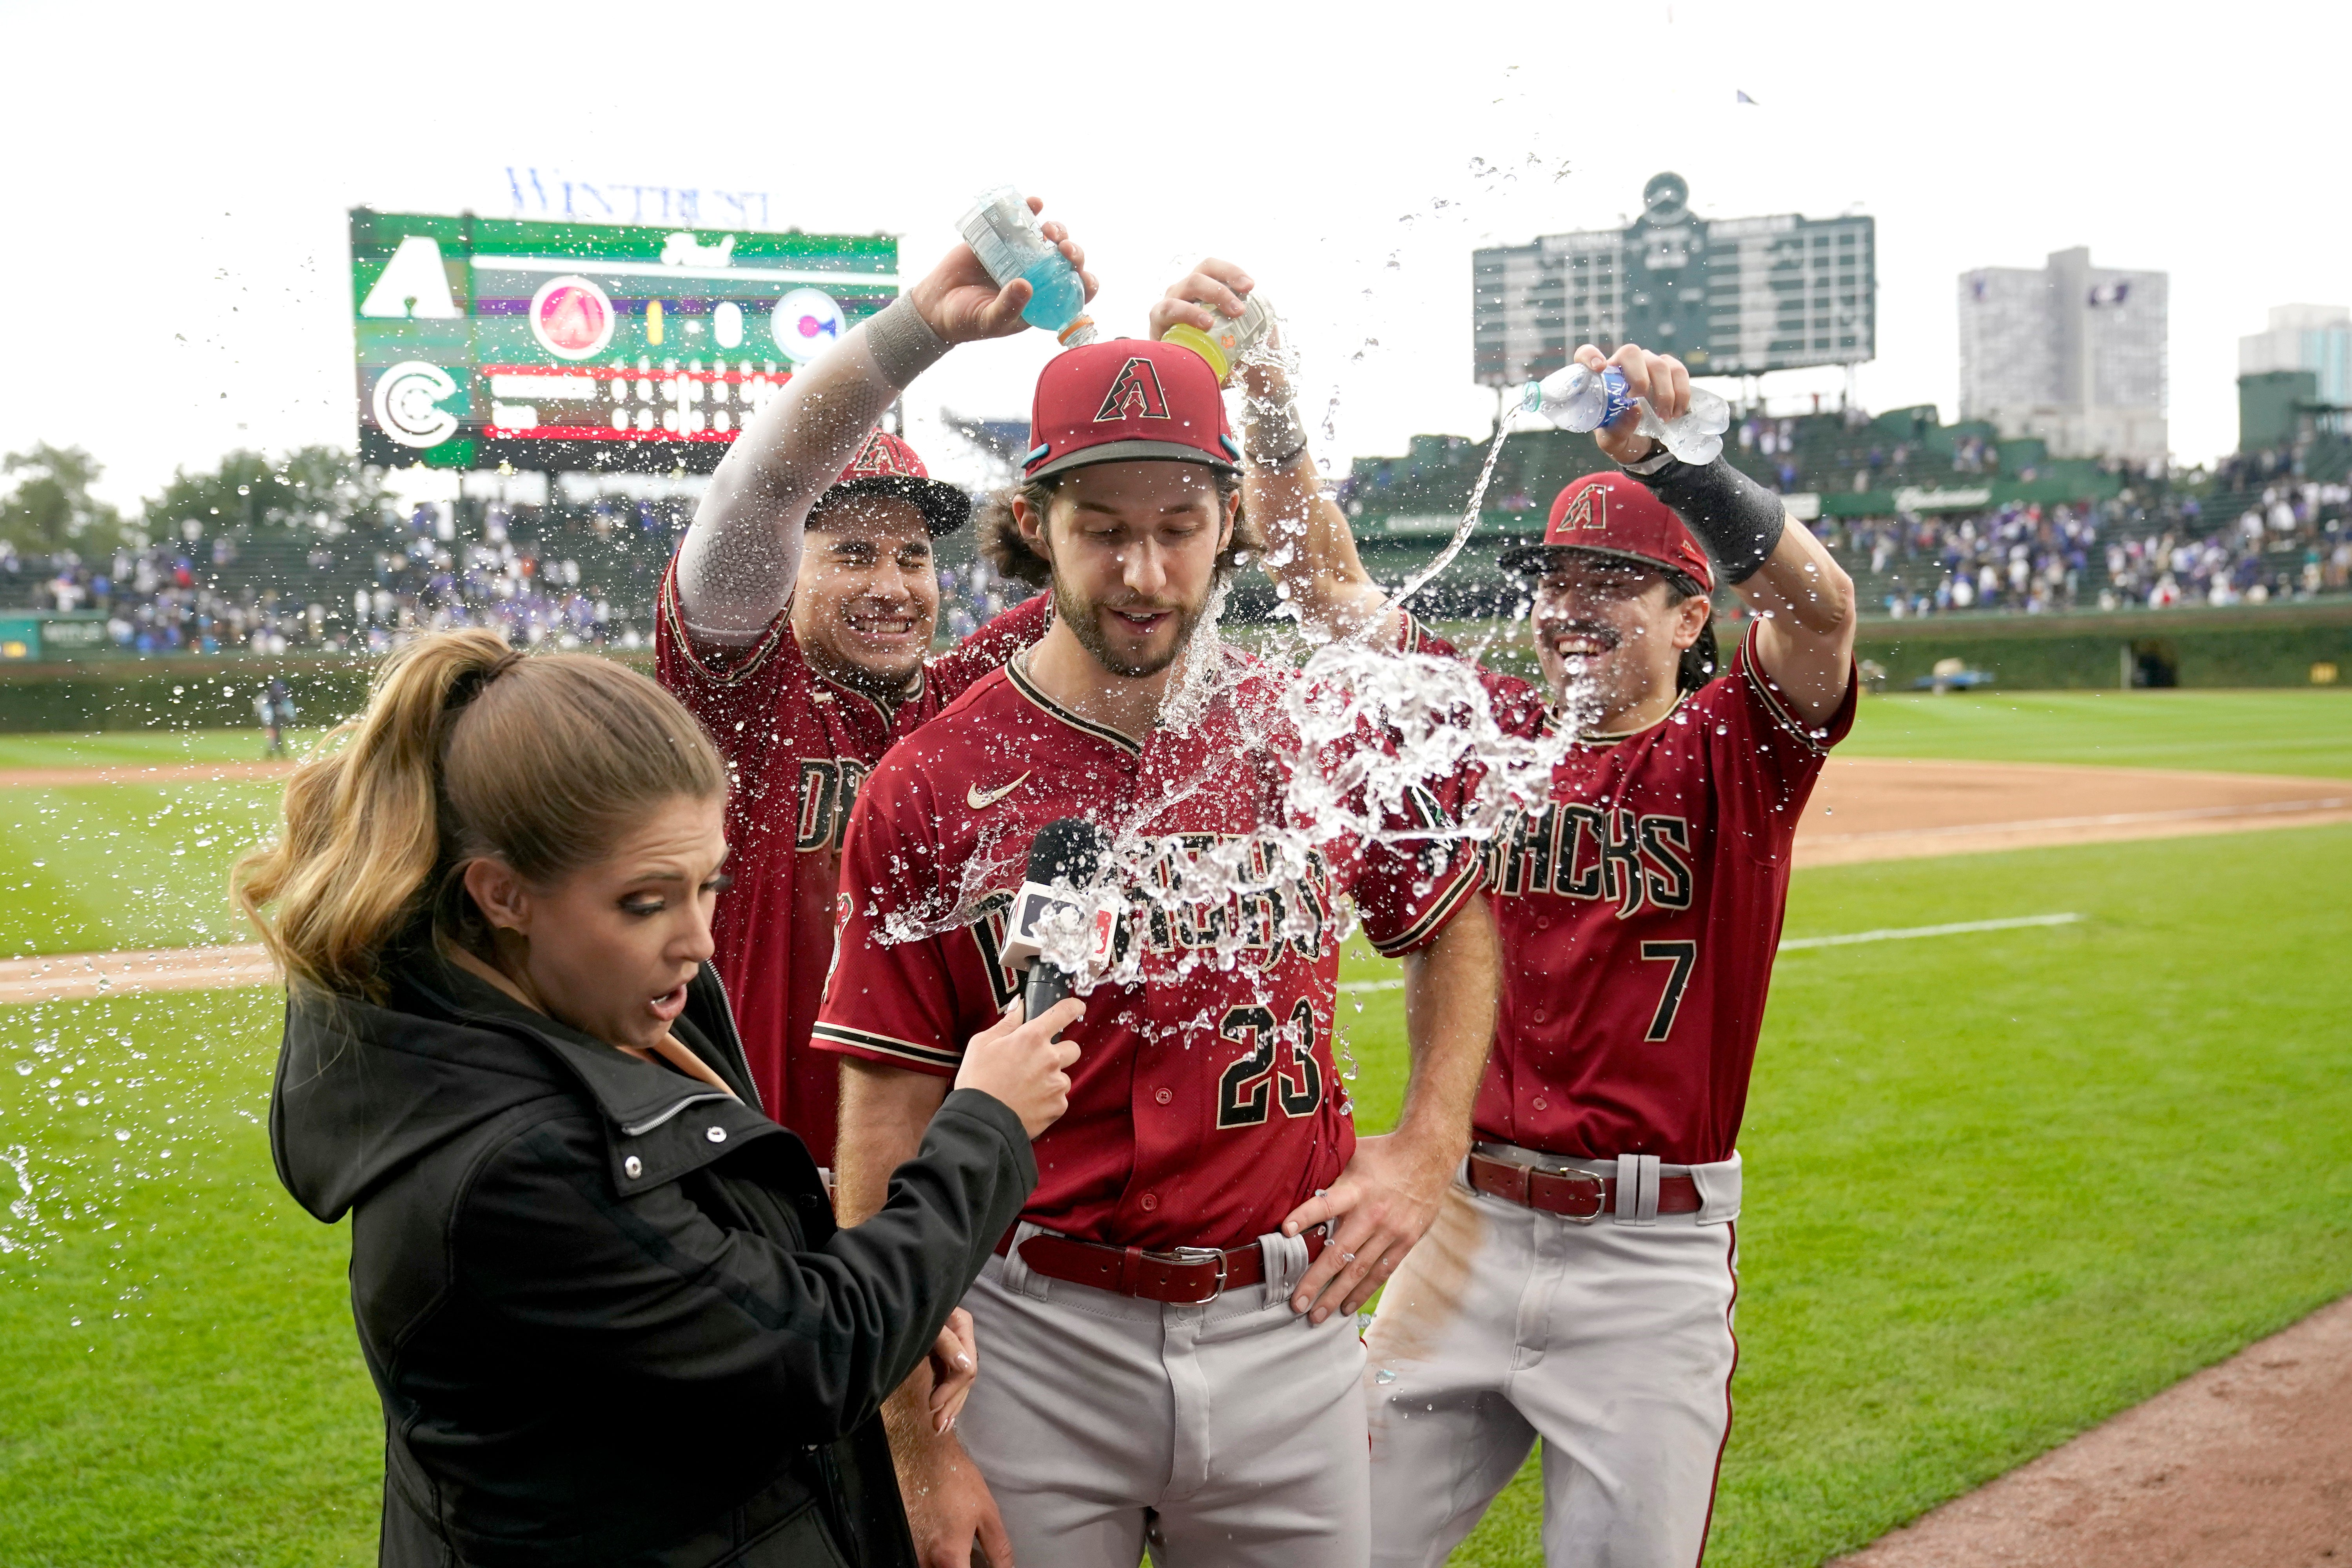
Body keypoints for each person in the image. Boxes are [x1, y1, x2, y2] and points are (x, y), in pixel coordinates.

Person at [1175, 257, 1858, 1566]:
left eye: (1612, 580)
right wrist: (1265, 384)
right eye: (1557, 579)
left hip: (1649, 1263)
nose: (1571, 607)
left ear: (1688, 613)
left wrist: (1688, 468)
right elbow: (1322, 580)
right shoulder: (1477, 729)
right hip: (1465, 1227)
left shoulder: (1734, 751)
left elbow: (1820, 613)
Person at [812, 333, 1502, 1568]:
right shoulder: (933, 781)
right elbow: (885, 1124)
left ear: (1231, 520)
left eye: (1180, 524)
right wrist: (915, 1446)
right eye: (1101, 526)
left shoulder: (1307, 733)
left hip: (1285, 1321)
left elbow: (1453, 923)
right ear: (1035, 521)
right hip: (1035, 1336)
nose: (1144, 569)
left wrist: (1429, 1148)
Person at [237, 629, 1085, 1567]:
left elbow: (720, 1274)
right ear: (502, 896)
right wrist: (987, 1123)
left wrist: (893, 1275)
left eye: (709, 884)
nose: (698, 939)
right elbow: (819, 1351)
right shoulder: (507, 1162)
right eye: (645, 900)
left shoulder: (603, 997)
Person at [657, 202, 1091, 1165]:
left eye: (911, 555)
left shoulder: (967, 697)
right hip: (767, 1189)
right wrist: (920, 328)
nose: (891, 586)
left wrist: (1163, 378)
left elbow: (1133, 571)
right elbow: (760, 492)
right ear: (788, 569)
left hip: (947, 1193)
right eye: (851, 553)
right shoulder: (741, 701)